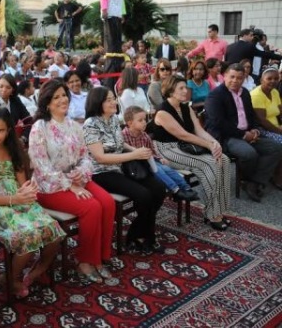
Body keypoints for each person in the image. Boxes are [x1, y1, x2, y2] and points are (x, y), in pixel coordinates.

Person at [0, 106, 64, 296]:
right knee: (27, 235)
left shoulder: (14, 150)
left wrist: (28, 191)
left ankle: (38, 270)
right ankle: (10, 278)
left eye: (0, 130)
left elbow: (23, 184)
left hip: (18, 200)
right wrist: (15, 198)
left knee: (52, 229)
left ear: (9, 130)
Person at [29, 80, 115, 281]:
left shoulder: (74, 126)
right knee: (91, 207)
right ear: (47, 103)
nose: (62, 100)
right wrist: (71, 185)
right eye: (56, 97)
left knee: (108, 203)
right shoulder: (39, 128)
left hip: (77, 179)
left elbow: (86, 156)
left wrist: (82, 172)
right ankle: (85, 261)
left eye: (64, 95)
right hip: (49, 187)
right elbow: (42, 167)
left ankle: (99, 258)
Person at [83, 86, 167, 253]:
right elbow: (100, 157)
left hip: (121, 166)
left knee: (158, 188)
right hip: (101, 173)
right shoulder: (90, 124)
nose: (114, 101)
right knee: (143, 195)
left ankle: (138, 232)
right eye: (108, 99)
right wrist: (133, 154)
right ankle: (142, 236)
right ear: (98, 102)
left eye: (113, 98)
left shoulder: (113, 119)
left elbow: (120, 144)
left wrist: (135, 151)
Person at [152, 75, 234, 227]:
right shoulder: (162, 112)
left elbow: (199, 130)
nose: (185, 91)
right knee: (209, 163)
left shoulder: (186, 107)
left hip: (185, 147)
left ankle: (219, 210)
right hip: (167, 150)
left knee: (223, 159)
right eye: (181, 88)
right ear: (170, 91)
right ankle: (211, 214)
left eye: (186, 88)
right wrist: (208, 146)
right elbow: (182, 134)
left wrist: (214, 143)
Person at [205, 63, 282, 201]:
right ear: (225, 76)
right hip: (226, 136)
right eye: (232, 77)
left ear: (244, 78)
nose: (235, 80)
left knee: (276, 147)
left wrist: (254, 129)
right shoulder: (215, 96)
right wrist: (243, 135)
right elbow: (219, 123)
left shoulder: (245, 93)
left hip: (247, 133)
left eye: (239, 78)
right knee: (249, 153)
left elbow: (251, 115)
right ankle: (249, 179)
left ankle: (253, 182)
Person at [122, 106, 199, 201]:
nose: (144, 122)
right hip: (137, 166)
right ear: (130, 123)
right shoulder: (123, 136)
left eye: (145, 119)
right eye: (140, 120)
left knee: (167, 169)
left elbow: (152, 151)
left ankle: (186, 188)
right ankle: (176, 191)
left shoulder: (144, 136)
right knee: (159, 170)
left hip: (150, 160)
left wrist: (159, 158)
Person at [250, 67, 282, 189]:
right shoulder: (257, 94)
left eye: (276, 78)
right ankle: (278, 177)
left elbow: (280, 111)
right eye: (269, 78)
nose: (273, 81)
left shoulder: (274, 92)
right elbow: (262, 121)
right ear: (262, 80)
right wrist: (280, 131)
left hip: (275, 126)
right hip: (261, 128)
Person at [100, 0, 127, 89]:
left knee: (117, 40)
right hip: (109, 13)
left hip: (117, 14)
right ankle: (111, 59)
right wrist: (104, 9)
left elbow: (122, 1)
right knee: (110, 40)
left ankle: (118, 57)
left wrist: (122, 13)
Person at [0, 74, 31, 138]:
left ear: (13, 90)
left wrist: (23, 138)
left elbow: (28, 120)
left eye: (8, 87)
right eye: (1, 86)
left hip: (13, 139)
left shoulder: (16, 101)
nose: (4, 90)